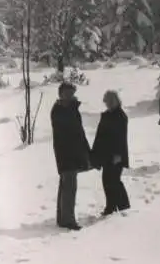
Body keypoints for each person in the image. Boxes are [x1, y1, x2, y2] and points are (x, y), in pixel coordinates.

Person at [51, 82, 91, 230]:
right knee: (69, 187)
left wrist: (86, 151)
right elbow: (69, 130)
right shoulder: (60, 110)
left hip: (71, 152)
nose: (70, 96)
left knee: (66, 185)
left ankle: (62, 218)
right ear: (61, 93)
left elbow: (79, 132)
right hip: (66, 153)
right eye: (67, 93)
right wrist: (73, 106)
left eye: (72, 93)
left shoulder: (69, 109)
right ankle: (67, 220)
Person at [91, 90, 130, 216]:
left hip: (116, 155)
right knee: (107, 180)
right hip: (106, 154)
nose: (107, 104)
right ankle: (112, 206)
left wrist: (118, 154)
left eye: (108, 101)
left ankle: (122, 206)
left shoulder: (120, 116)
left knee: (113, 180)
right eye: (106, 101)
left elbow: (121, 137)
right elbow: (100, 135)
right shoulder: (107, 115)